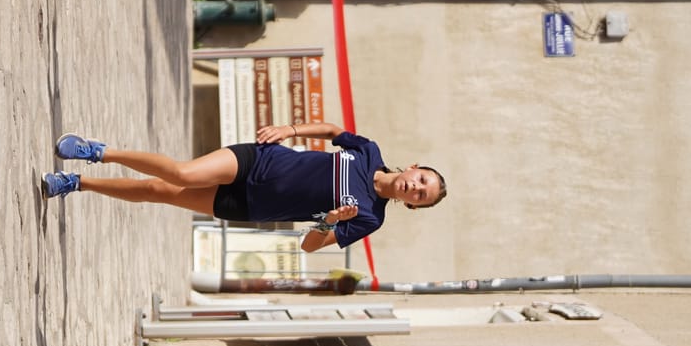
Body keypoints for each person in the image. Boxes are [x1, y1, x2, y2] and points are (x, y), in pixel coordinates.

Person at [41, 125, 445, 251]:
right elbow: (331, 130)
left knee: (156, 191)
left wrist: (329, 220)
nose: (416, 188)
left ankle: (76, 184)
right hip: (261, 160)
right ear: (413, 167)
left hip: (252, 203)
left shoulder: (370, 219)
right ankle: (99, 153)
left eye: (421, 196)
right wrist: (291, 129)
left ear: (412, 206)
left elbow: (308, 246)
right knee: (181, 174)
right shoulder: (368, 151)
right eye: (422, 180)